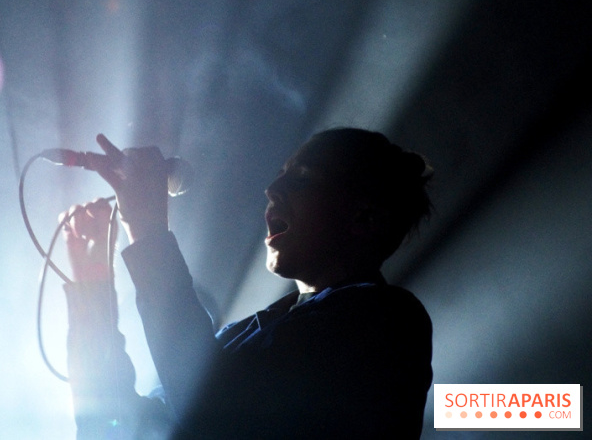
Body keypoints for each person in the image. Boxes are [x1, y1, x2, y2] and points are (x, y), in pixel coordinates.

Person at [61, 128, 434, 439]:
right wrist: (92, 293)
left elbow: (215, 414)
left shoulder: (390, 322)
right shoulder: (243, 334)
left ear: (365, 218)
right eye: (282, 173)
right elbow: (120, 428)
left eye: (302, 178)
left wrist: (148, 232)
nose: (273, 188)